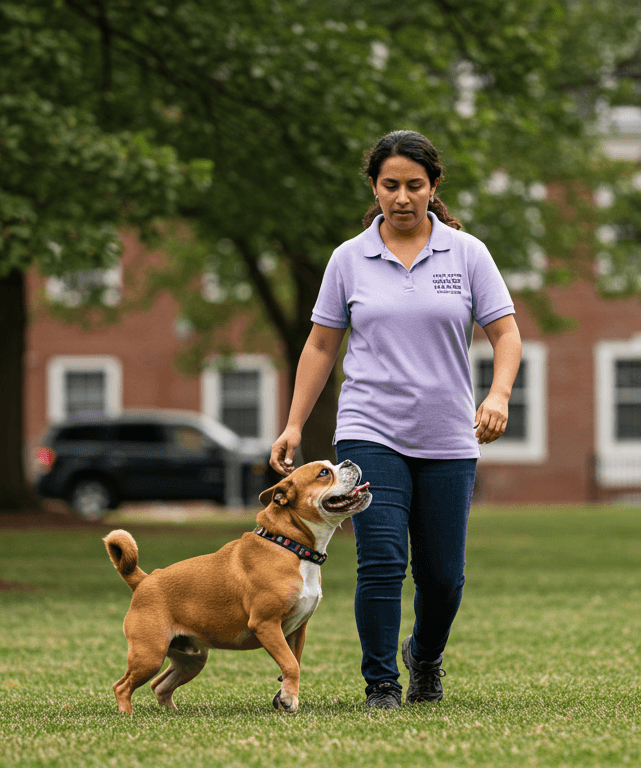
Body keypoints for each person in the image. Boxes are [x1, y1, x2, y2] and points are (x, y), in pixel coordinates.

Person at [268, 130, 522, 710]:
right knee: (381, 561)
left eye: (414, 185)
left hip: (448, 437)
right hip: (369, 429)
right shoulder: (348, 259)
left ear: (433, 187)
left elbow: (505, 333)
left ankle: (424, 658)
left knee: (442, 579)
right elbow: (320, 346)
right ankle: (381, 682)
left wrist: (499, 394)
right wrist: (292, 424)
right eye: (390, 185)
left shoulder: (468, 253)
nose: (402, 197)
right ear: (374, 188)